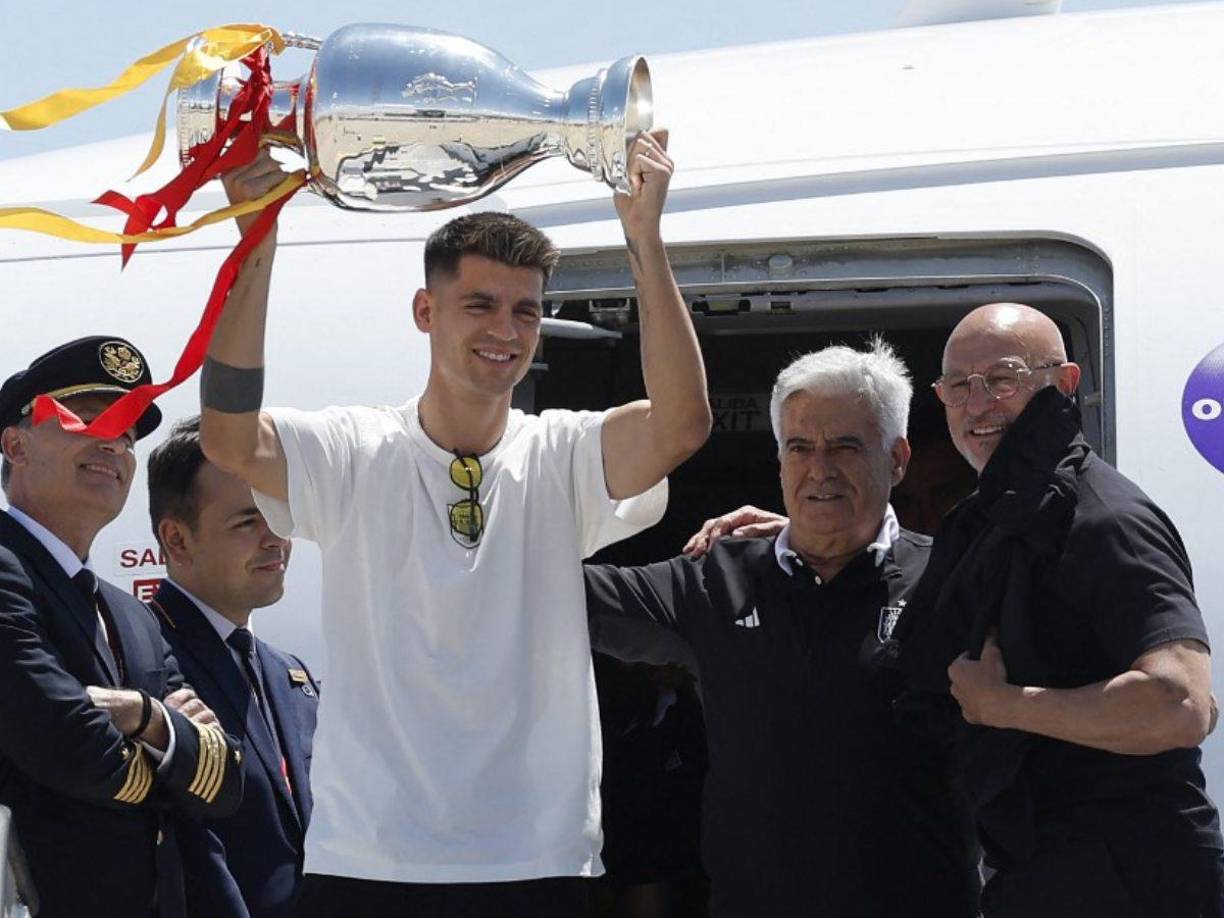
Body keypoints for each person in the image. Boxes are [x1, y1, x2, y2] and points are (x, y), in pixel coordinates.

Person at [200, 131, 710, 915]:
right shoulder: (353, 448)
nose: (506, 330)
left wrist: (644, 236)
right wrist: (256, 243)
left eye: (526, 311)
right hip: (369, 859)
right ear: (424, 310)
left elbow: (681, 425)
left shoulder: (564, 454)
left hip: (536, 859)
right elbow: (230, 439)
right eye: (480, 304)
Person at [692, 305, 1224, 916]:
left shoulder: (1102, 517)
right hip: (1043, 870)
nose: (978, 406)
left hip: (1129, 878)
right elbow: (953, 589)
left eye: (1004, 380)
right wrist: (815, 529)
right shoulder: (1008, 512)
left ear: (1066, 383)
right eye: (959, 387)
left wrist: (1006, 706)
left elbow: (1182, 706)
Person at [584, 341, 980, 917]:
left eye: (845, 446)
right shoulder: (715, 579)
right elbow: (561, 597)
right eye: (799, 447)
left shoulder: (953, 582)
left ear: (896, 460)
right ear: (778, 462)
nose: (820, 468)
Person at [0, 336, 243, 918]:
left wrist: (141, 714)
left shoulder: (133, 615)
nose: (113, 442)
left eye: (129, 434)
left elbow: (228, 781)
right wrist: (177, 752)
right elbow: (71, 748)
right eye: (87, 420)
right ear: (16, 444)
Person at [147, 416, 320, 917]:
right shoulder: (138, 662)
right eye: (248, 521)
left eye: (278, 514)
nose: (276, 539)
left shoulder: (292, 676)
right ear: (177, 540)